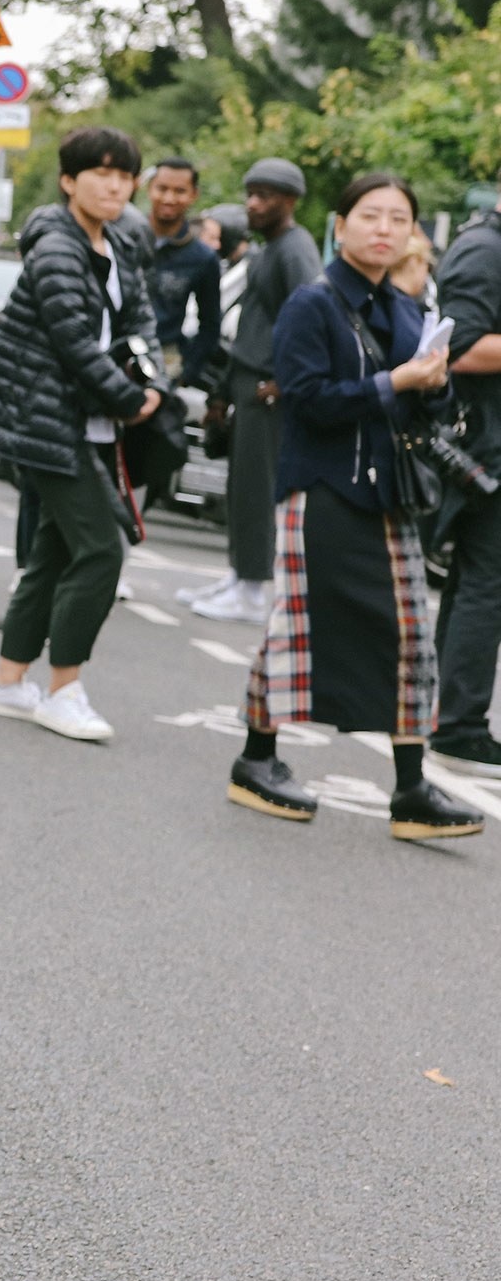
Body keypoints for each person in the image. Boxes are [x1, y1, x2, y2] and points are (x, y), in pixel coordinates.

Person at [226, 171, 480, 841]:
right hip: (322, 488)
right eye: (371, 215)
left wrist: (433, 382)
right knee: (297, 630)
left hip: (389, 493)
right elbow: (307, 400)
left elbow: (431, 405)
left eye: (400, 219)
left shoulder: (404, 306)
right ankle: (256, 759)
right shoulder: (313, 304)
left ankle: (411, 788)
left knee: (408, 641)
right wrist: (397, 380)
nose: (385, 229)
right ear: (340, 226)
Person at [0, 126, 161, 743]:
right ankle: (62, 688)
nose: (115, 185)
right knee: (101, 550)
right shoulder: (55, 247)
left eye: (125, 176)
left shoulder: (116, 243)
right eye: (101, 173)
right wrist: (131, 399)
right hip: (48, 421)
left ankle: (7, 682)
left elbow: (140, 320)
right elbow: (75, 343)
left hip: (84, 421)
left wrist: (152, 379)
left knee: (53, 552)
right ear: (69, 181)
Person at [185, 161, 317, 625]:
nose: (253, 204)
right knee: (241, 485)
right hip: (247, 379)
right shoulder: (270, 247)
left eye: (266, 195)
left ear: (291, 201)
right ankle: (240, 575)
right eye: (251, 193)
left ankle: (255, 590)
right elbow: (254, 322)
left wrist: (286, 381)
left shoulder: (295, 249)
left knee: (258, 488)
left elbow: (310, 319)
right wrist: (224, 389)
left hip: (268, 387)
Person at [429, 194, 501, 776]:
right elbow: (460, 349)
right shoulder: (483, 251)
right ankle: (460, 727)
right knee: (485, 583)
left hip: (488, 443)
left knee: (476, 582)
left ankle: (449, 716)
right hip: (485, 448)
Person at [142, 158, 222, 381]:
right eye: (162, 188)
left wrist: (187, 371)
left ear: (193, 195)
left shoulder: (202, 258)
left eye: (179, 191)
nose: (169, 198)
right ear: (150, 189)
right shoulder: (125, 237)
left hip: (164, 359)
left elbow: (210, 324)